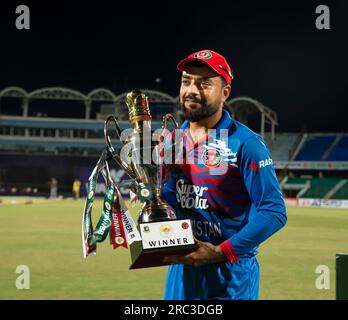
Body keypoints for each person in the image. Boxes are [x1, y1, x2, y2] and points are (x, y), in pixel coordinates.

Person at [161, 49, 287, 300]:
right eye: (186, 82)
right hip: (181, 278)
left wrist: (220, 251)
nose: (192, 90)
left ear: (225, 92)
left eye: (204, 84)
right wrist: (152, 198)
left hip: (230, 280)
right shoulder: (171, 141)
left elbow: (273, 211)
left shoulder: (246, 143)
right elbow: (171, 200)